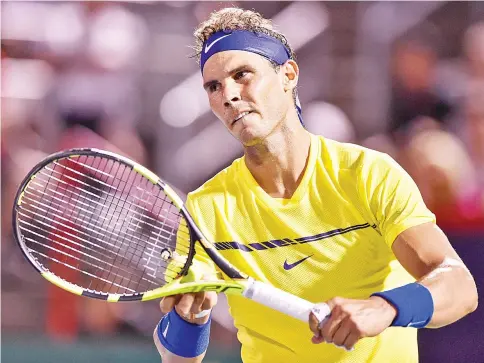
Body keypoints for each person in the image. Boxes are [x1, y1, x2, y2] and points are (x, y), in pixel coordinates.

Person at [153, 7, 478, 363]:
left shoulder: (370, 174)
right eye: (213, 86)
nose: (227, 95)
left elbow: (459, 287)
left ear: (288, 74)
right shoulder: (206, 208)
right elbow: (177, 359)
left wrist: (385, 308)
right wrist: (191, 317)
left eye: (242, 74)